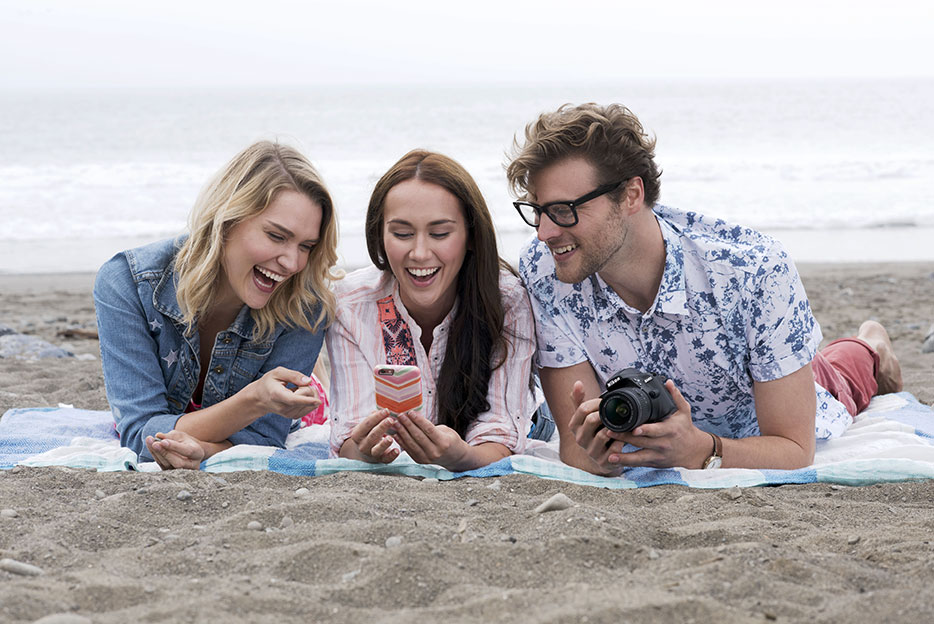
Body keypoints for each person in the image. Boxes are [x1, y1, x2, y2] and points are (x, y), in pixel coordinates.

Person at [506, 103, 903, 476]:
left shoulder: (753, 271)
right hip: (681, 408)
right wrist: (599, 454)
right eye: (538, 212)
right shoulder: (544, 271)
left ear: (631, 195)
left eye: (563, 211)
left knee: (839, 374)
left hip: (767, 402)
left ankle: (873, 346)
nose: (544, 233)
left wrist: (701, 451)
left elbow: (795, 450)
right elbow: (577, 451)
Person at [94, 141, 339, 470]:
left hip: (304, 411)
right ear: (227, 219)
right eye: (276, 236)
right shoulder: (127, 284)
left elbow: (266, 440)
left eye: (306, 246)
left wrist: (203, 450)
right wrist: (254, 399)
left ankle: (317, 377)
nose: (292, 262)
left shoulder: (306, 305)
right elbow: (140, 433)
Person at [327, 150, 540, 471]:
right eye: (401, 233)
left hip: (534, 415)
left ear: (470, 235)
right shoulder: (350, 304)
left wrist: (461, 456)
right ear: (379, 235)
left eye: (440, 233)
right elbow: (347, 438)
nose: (420, 252)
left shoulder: (507, 299)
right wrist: (365, 451)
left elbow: (502, 435)